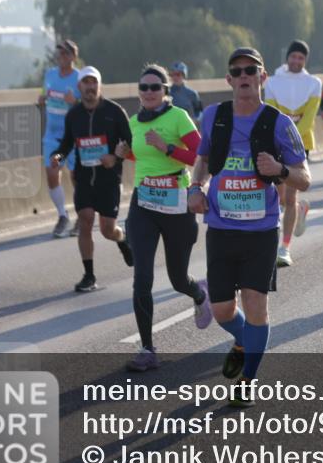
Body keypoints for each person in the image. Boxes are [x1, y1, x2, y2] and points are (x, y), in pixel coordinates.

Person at [188, 47, 311, 407]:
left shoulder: (279, 123)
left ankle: (247, 381)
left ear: (262, 77)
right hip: (221, 229)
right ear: (228, 79)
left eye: (251, 70)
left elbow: (304, 178)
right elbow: (204, 159)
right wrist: (196, 188)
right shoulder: (214, 116)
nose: (244, 76)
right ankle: (242, 341)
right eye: (237, 71)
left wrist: (280, 170)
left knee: (257, 307)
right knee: (224, 310)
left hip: (260, 232)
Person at [115, 64, 213, 371]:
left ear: (165, 91)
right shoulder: (133, 122)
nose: (148, 93)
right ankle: (147, 349)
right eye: (143, 88)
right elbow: (141, 155)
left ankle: (199, 293)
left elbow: (202, 157)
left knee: (177, 278)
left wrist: (167, 146)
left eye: (155, 87)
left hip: (177, 205)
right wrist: (124, 154)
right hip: (143, 204)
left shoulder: (178, 117)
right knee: (142, 278)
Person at [49, 66, 134, 292]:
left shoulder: (115, 112)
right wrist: (57, 157)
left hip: (108, 179)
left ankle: (123, 238)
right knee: (85, 219)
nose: (90, 87)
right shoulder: (74, 115)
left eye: (93, 82)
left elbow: (130, 142)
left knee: (108, 230)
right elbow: (66, 144)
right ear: (79, 87)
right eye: (85, 83)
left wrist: (114, 157)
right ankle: (89, 275)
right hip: (84, 177)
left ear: (99, 85)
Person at [264, 40, 321, 266]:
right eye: (293, 56)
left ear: (305, 60)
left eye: (301, 58)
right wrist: (280, 138)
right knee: (280, 196)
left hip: (300, 141)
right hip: (276, 142)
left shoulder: (314, 83)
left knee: (289, 196)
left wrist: (291, 138)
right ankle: (298, 210)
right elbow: (271, 111)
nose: (296, 61)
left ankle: (284, 248)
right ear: (287, 58)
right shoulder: (272, 82)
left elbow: (309, 117)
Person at [39, 40, 81, 238]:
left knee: (75, 177)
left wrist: (76, 102)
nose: (61, 57)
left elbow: (90, 103)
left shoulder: (79, 78)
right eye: (59, 53)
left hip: (72, 136)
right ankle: (63, 216)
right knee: (52, 173)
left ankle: (82, 215)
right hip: (52, 136)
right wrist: (41, 100)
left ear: (73, 56)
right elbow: (43, 95)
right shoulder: (49, 75)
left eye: (65, 54)